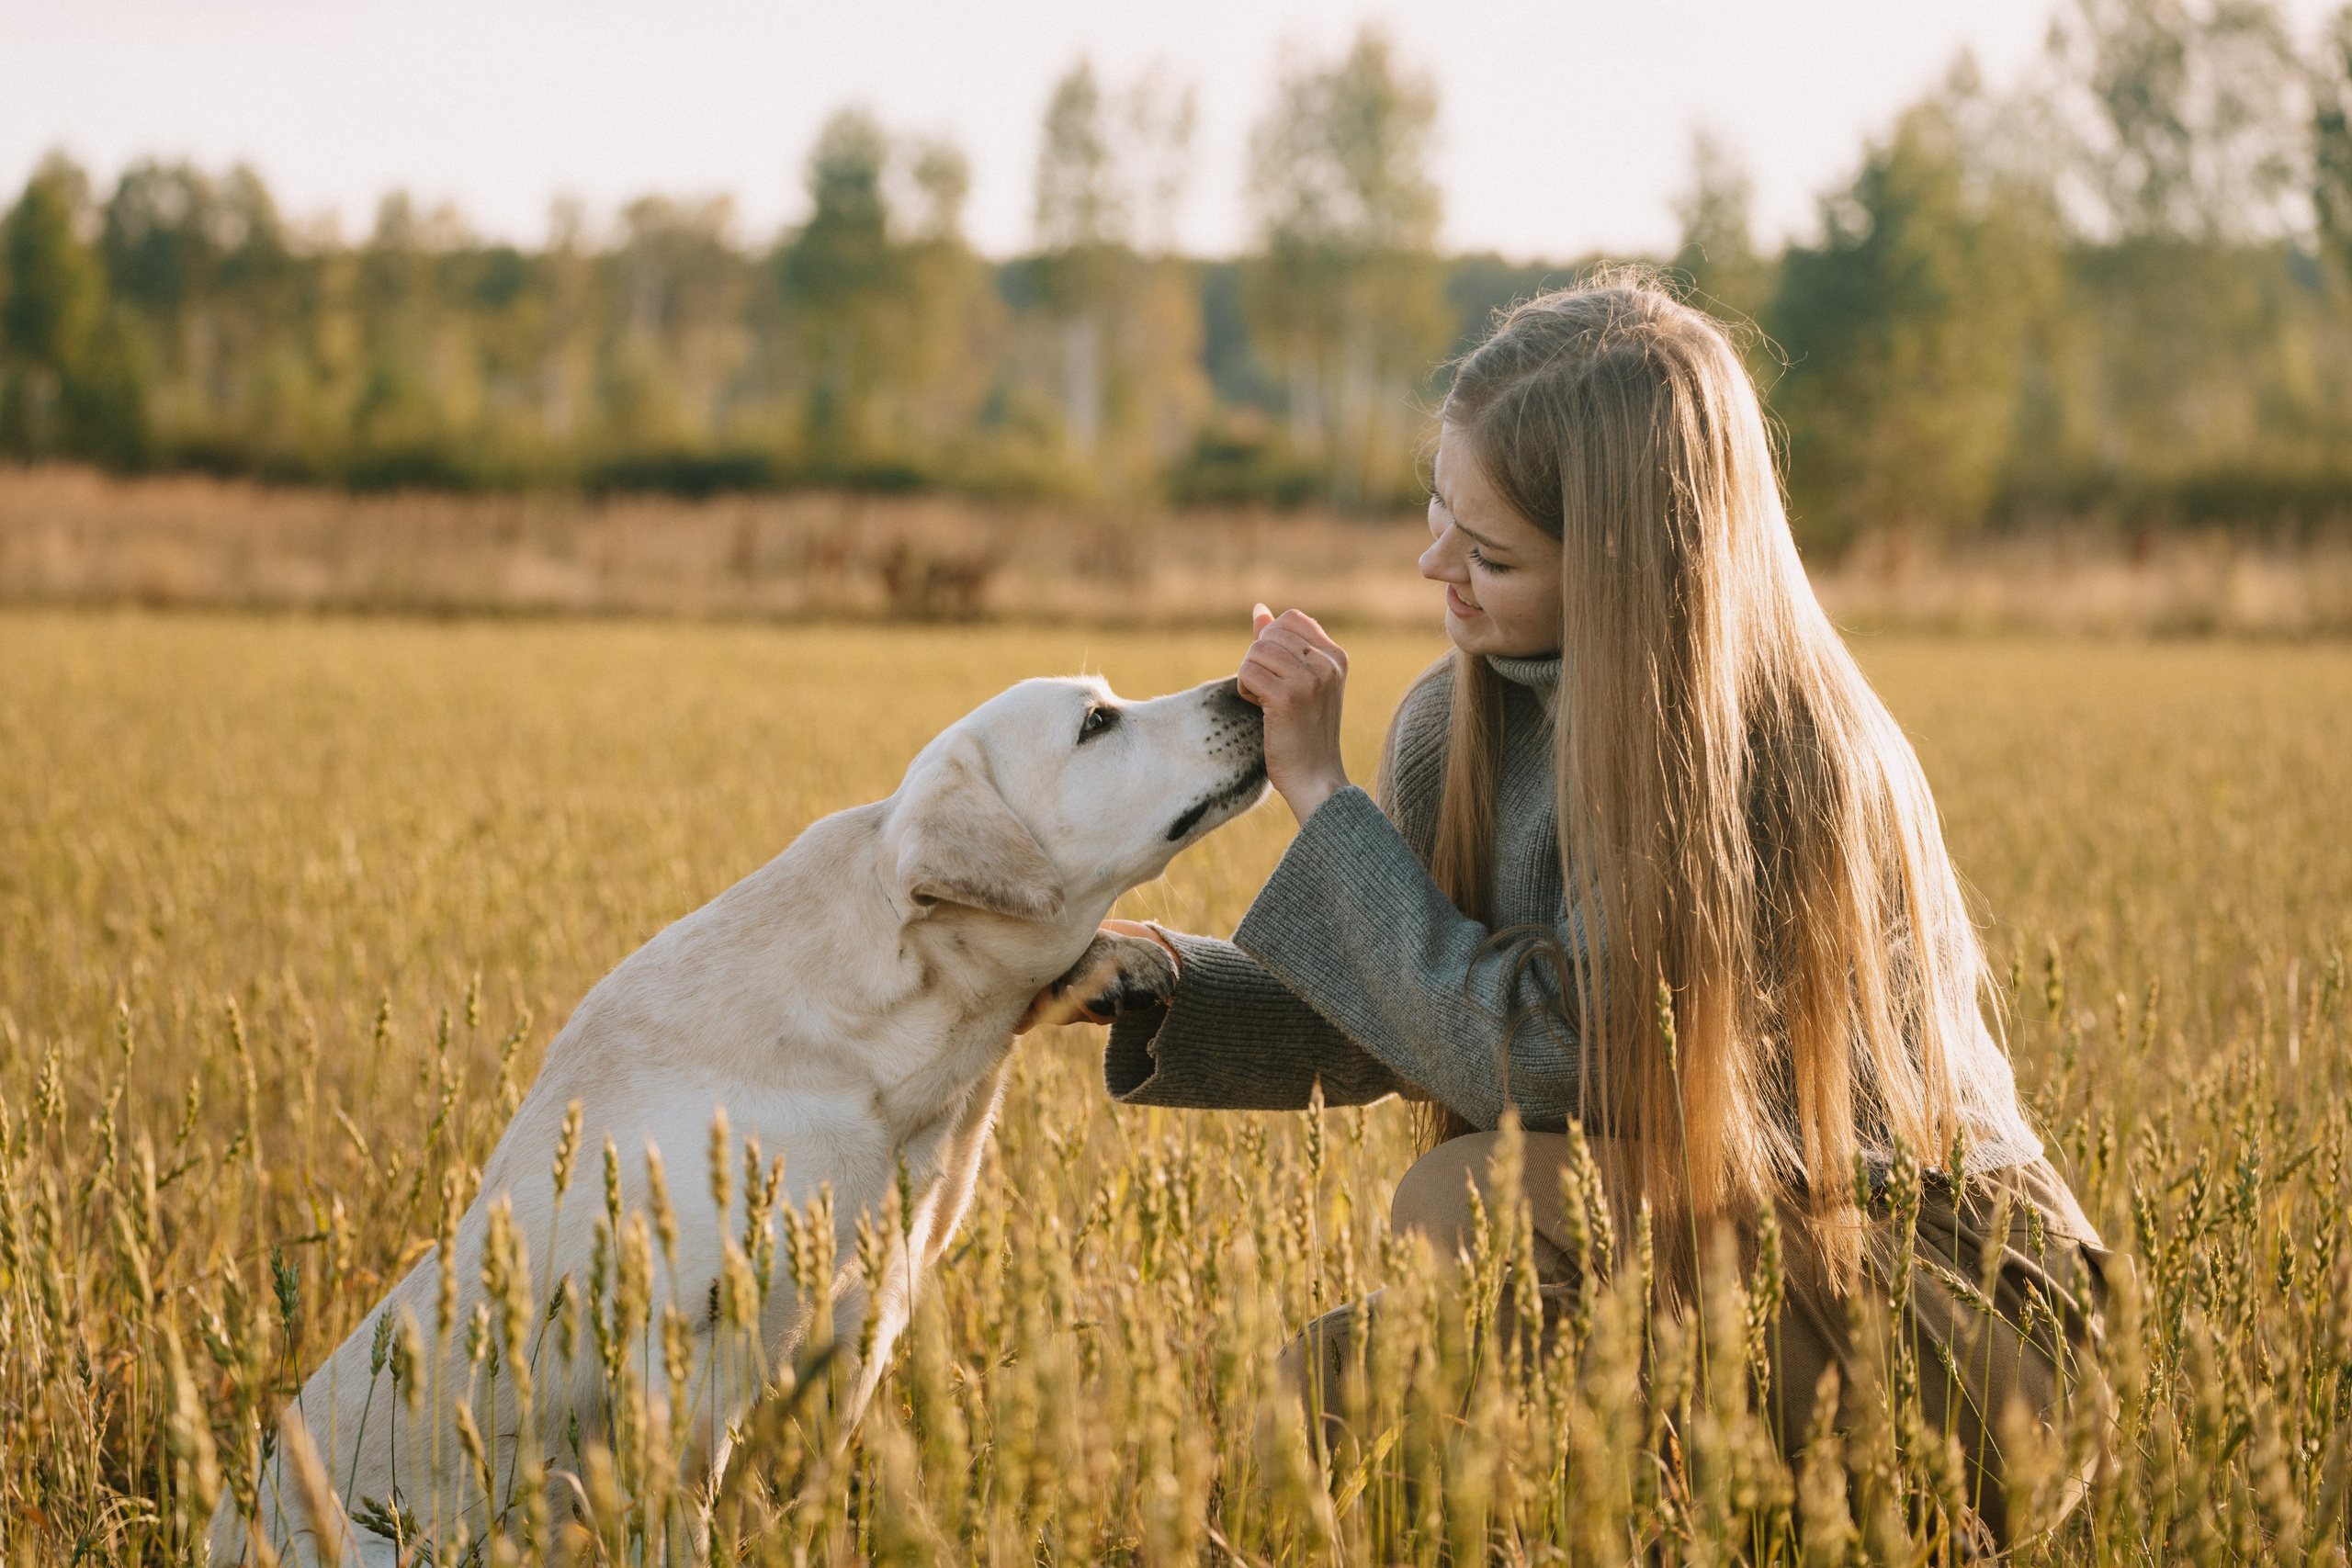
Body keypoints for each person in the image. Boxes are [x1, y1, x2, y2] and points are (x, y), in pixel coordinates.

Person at [1050, 277, 2105, 1543]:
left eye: (1489, 552)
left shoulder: (1773, 760)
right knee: (1334, 1395)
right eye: (1438, 510)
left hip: (1950, 1302)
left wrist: (1321, 795)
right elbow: (1408, 997)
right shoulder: (1463, 715)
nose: (1435, 565)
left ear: (1623, 569)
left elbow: (1548, 1053)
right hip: (1710, 1253)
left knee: (1471, 1203)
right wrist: (1139, 977)